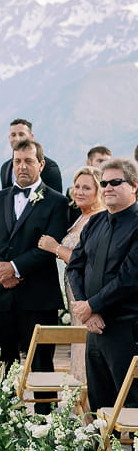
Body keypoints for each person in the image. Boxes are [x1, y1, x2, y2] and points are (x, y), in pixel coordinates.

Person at [0, 140, 69, 389]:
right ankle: (2, 424)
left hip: (37, 296)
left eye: (28, 161)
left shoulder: (57, 202)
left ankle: (43, 424)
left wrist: (15, 268)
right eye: (17, 161)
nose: (22, 166)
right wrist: (1, 270)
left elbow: (50, 247)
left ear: (41, 164)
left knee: (41, 366)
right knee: (0, 366)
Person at [67, 158, 138, 414]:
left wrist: (92, 305)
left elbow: (130, 277)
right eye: (104, 182)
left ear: (134, 186)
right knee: (100, 408)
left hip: (126, 329)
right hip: (94, 328)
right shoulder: (95, 222)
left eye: (115, 182)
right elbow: (74, 266)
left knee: (132, 406)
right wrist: (88, 310)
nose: (107, 187)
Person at [37, 167, 104, 383]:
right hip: (73, 293)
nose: (80, 191)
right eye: (77, 186)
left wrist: (55, 247)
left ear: (98, 191)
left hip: (86, 293)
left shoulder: (98, 218)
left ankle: (90, 413)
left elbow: (88, 261)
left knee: (86, 350)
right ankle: (77, 410)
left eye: (87, 187)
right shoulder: (80, 217)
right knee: (78, 348)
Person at [0, 119, 63, 192]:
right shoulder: (5, 168)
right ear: (9, 138)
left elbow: (56, 200)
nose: (17, 138)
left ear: (31, 137)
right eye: (13, 135)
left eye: (21, 134)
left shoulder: (50, 167)